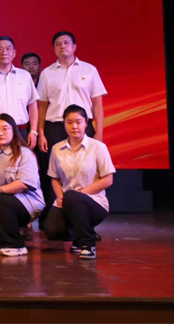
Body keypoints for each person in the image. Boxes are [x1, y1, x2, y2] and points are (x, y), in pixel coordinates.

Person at [36, 31, 107, 226]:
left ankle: (84, 221)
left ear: (74, 46)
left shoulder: (89, 70)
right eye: (58, 44)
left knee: (87, 172)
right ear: (54, 49)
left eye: (66, 43)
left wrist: (99, 131)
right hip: (54, 127)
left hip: (83, 127)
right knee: (52, 174)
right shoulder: (47, 73)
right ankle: (52, 219)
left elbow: (97, 103)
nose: (62, 46)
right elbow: (42, 105)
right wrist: (41, 132)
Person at [44, 105, 115, 260]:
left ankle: (87, 244)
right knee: (52, 230)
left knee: (73, 197)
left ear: (86, 123)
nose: (74, 126)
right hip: (66, 201)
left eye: (78, 122)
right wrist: (60, 197)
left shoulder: (98, 147)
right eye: (69, 122)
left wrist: (80, 194)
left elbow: (108, 179)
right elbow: (54, 178)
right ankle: (77, 236)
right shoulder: (57, 149)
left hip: (93, 202)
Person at [0, 114, 44, 256]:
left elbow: (25, 183)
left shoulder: (25, 153)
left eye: (5, 129)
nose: (0, 133)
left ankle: (16, 245)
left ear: (14, 131)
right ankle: (12, 234)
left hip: (28, 202)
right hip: (0, 205)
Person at [0, 37, 39, 152]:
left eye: (8, 49)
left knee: (21, 162)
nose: (4, 52)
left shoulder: (25, 76)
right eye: (0, 49)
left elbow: (32, 105)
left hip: (20, 131)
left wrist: (33, 131)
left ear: (14, 53)